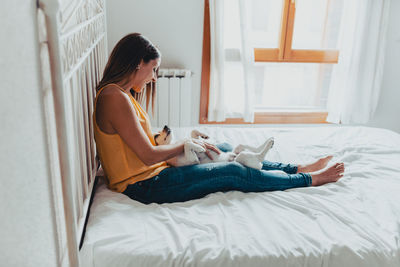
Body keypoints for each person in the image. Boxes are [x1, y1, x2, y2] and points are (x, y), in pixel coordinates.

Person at [93, 33, 345, 204]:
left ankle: (294, 168)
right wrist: (184, 146)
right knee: (233, 171)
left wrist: (188, 144)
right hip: (145, 185)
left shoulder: (120, 94)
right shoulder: (114, 98)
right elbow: (147, 155)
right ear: (139, 63)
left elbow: (143, 146)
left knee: (222, 148)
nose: (154, 78)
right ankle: (308, 179)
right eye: (154, 69)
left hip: (153, 174)